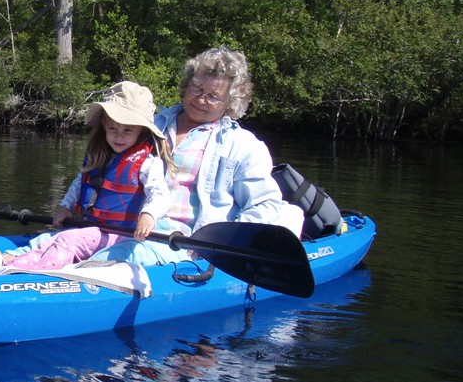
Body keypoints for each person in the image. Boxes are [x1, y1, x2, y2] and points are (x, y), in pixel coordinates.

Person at [86, 46, 303, 266]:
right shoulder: (149, 125)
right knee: (52, 240)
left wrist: (225, 242)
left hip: (183, 247)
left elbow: (265, 205)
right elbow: (100, 163)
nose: (201, 100)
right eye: (197, 89)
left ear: (230, 102)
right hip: (122, 230)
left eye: (213, 97)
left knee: (115, 258)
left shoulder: (243, 145)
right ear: (186, 85)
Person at [0, 81, 174, 271]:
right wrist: (65, 207)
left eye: (128, 130)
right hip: (93, 228)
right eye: (113, 128)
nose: (118, 135)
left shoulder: (148, 163)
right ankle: (2, 258)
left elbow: (160, 194)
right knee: (45, 239)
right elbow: (79, 184)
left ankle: (23, 271)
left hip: (120, 235)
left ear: (142, 131)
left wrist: (149, 215)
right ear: (103, 125)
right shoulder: (100, 156)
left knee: (68, 241)